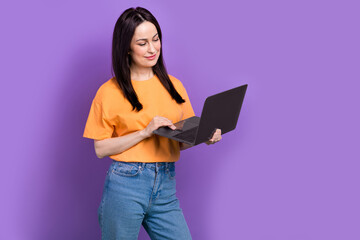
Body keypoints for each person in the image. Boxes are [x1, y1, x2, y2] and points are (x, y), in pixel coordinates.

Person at [83, 7, 222, 240]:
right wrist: (145, 132)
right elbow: (100, 149)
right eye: (142, 42)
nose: (152, 48)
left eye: (156, 39)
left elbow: (179, 142)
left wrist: (205, 137)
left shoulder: (174, 86)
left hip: (165, 184)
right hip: (126, 184)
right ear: (126, 47)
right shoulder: (109, 92)